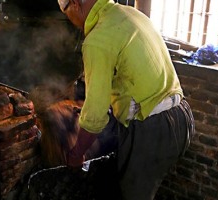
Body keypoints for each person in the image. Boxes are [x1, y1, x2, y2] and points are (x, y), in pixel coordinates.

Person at [57, 0, 195, 199]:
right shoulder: (131, 15)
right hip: (181, 118)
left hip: (153, 129)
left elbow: (96, 114)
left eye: (65, 12)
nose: (69, 20)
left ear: (75, 4)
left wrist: (77, 153)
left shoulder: (97, 39)